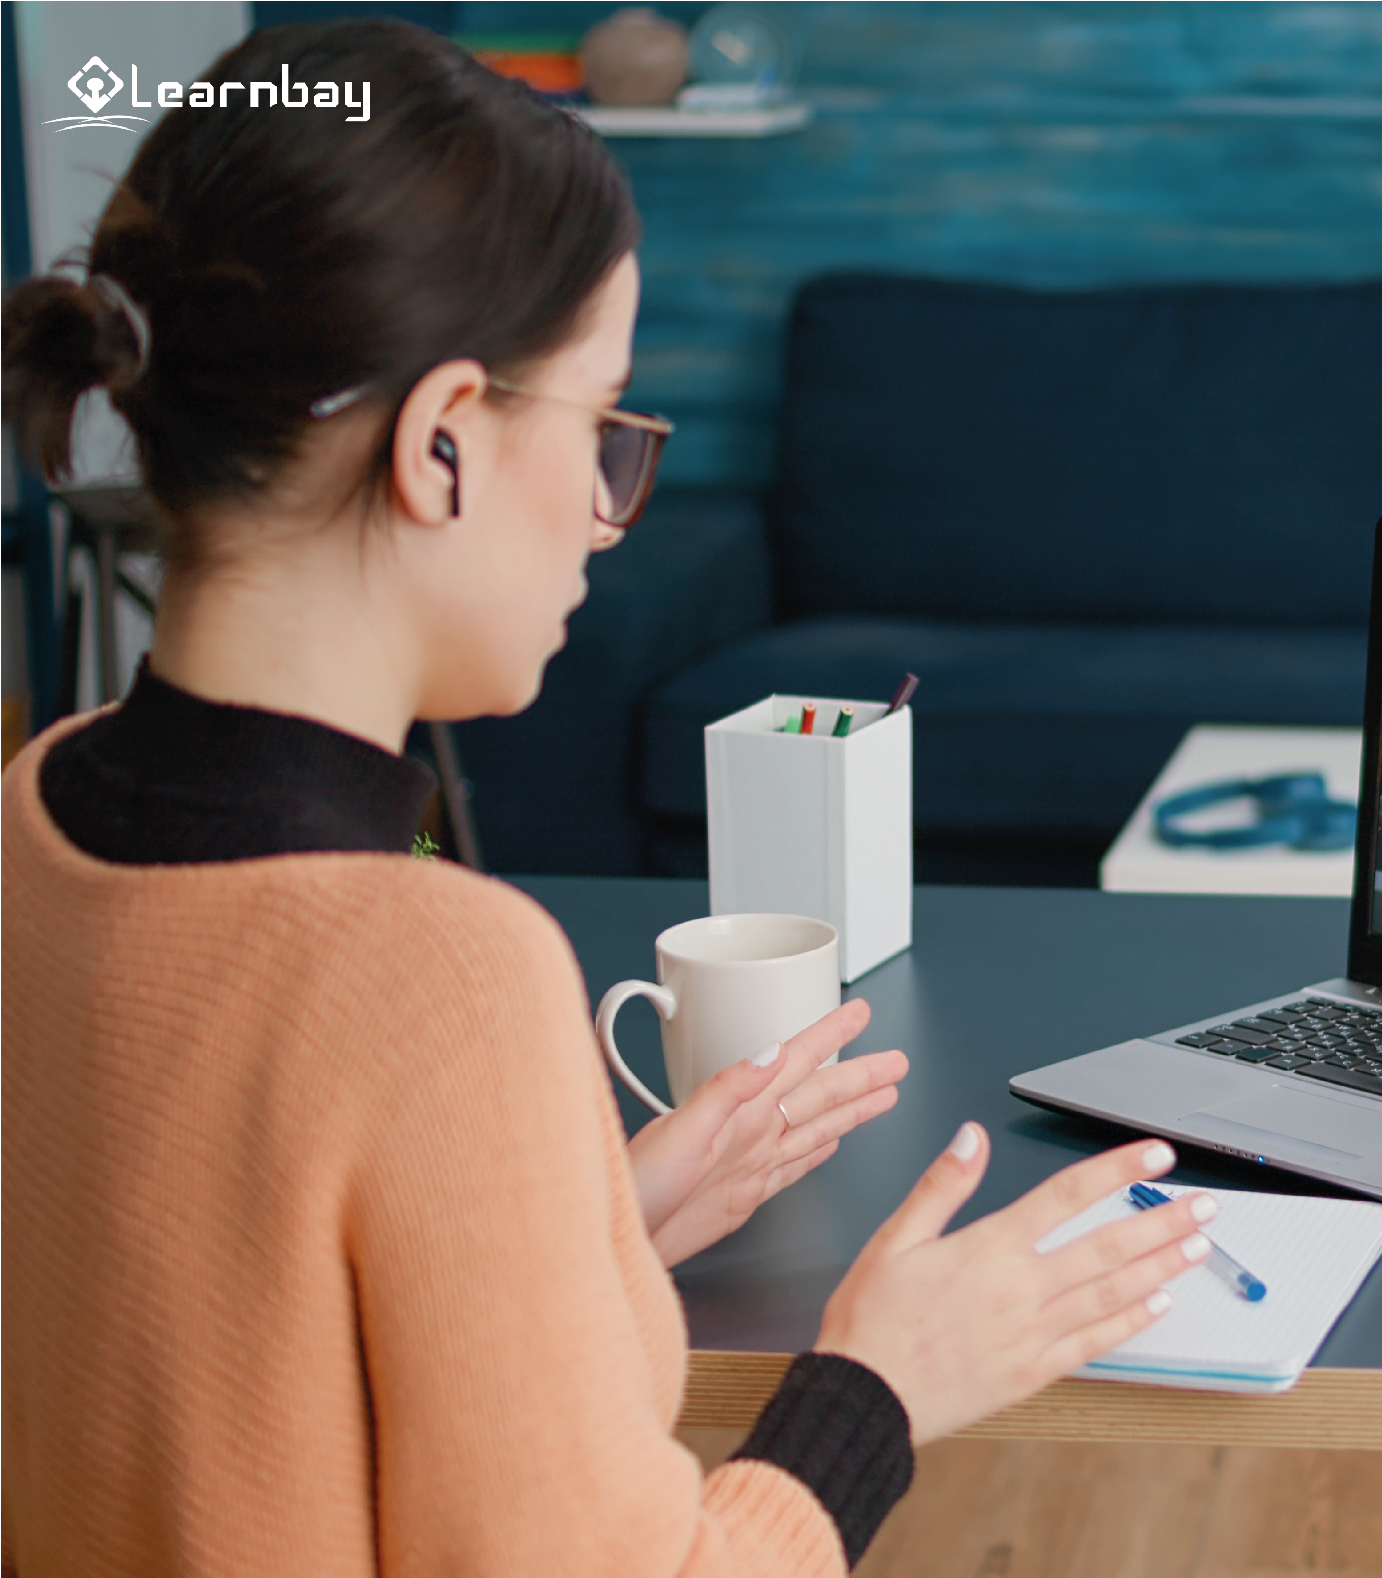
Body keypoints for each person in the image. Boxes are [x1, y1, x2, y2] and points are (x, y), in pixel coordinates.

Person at [1, 22, 1217, 1575]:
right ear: (442, 442)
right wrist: (883, 1383)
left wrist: (584, 1230)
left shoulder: (37, 815)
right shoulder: (439, 970)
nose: (603, 513)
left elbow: (243, 1365)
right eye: (601, 427)